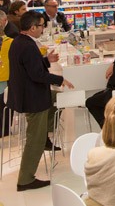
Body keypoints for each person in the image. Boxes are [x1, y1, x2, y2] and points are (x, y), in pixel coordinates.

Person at [8, 11, 74, 191]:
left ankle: (46, 133)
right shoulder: (28, 46)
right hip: (33, 98)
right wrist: (60, 80)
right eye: (41, 26)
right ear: (32, 28)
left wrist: (46, 60)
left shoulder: (20, 42)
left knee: (58, 100)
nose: (43, 29)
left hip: (30, 95)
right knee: (34, 141)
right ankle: (26, 179)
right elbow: (37, 75)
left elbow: (30, 66)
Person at [0, 11, 12, 136]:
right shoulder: (11, 42)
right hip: (7, 78)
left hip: (4, 78)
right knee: (5, 106)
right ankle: (5, 130)